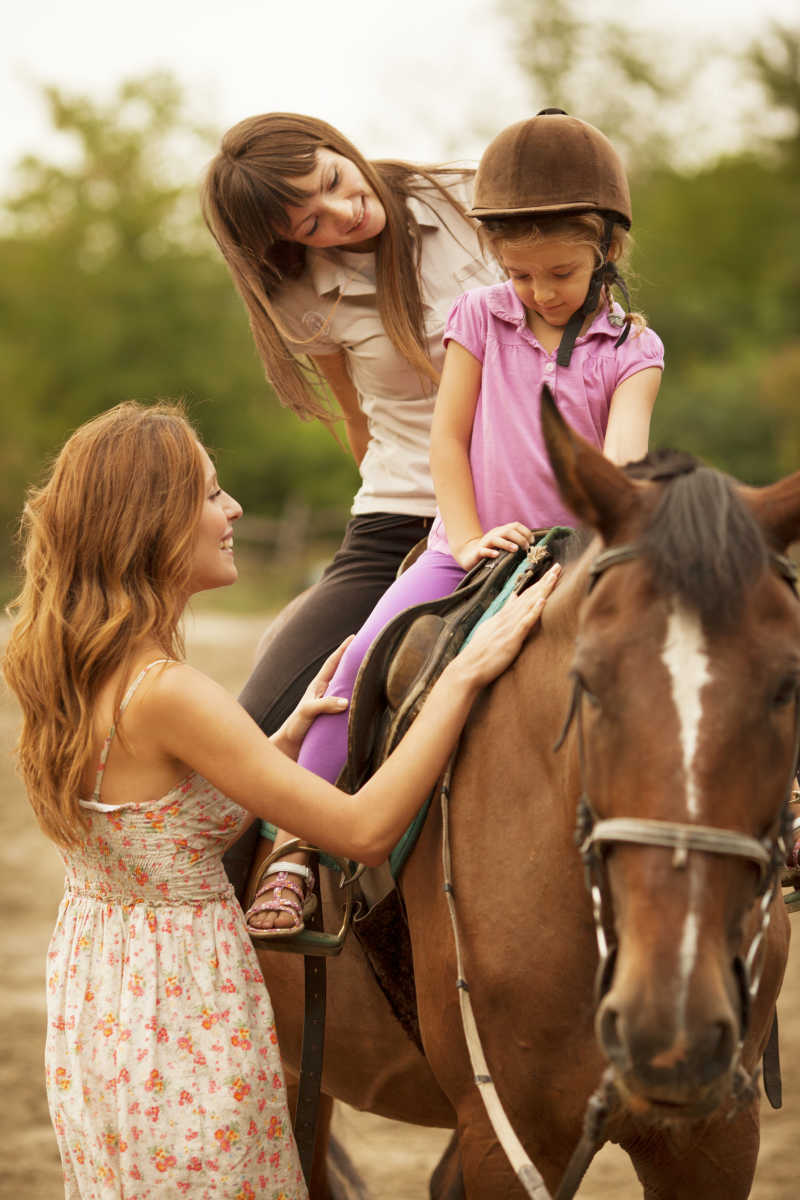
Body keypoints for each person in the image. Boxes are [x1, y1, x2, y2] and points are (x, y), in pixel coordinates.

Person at [1, 400, 559, 1199]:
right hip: (186, 1022)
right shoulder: (170, 694)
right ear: (151, 523)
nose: (232, 512)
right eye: (211, 494)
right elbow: (365, 832)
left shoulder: (80, 673)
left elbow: (154, 824)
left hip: (106, 1006)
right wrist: (463, 680)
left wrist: (286, 736)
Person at [247, 109, 664, 937]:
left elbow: (619, 467)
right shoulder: (477, 315)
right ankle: (296, 846)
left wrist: (588, 552)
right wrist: (468, 538)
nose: (540, 292)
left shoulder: (635, 351)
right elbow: (447, 435)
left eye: (561, 275)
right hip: (463, 542)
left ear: (605, 253)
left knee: (696, 650)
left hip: (572, 553)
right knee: (356, 663)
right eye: (521, 276)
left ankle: (771, 811)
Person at [201, 112, 499, 785]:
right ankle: (257, 875)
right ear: (285, 242)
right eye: (311, 224)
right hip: (408, 509)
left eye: (334, 180)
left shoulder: (470, 195)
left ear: (338, 147)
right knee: (261, 718)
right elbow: (356, 415)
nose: (344, 212)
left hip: (543, 490)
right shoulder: (299, 293)